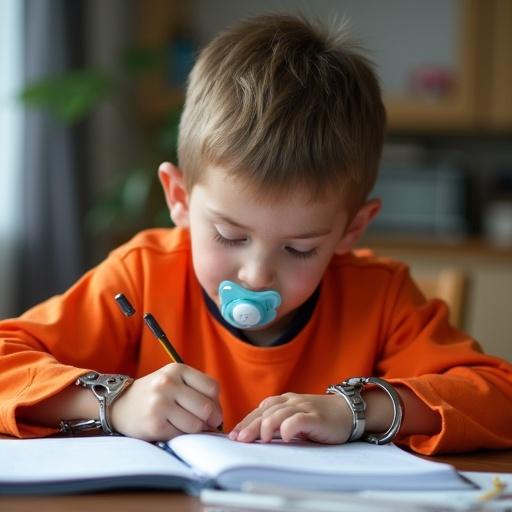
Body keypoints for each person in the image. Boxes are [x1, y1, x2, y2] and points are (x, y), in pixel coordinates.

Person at [1, 14, 511, 455]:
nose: (257, 273)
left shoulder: (380, 297)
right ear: (178, 198)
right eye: (228, 235)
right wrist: (116, 404)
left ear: (351, 229)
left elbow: (497, 397)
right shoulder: (140, 276)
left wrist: (356, 410)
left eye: (300, 248)